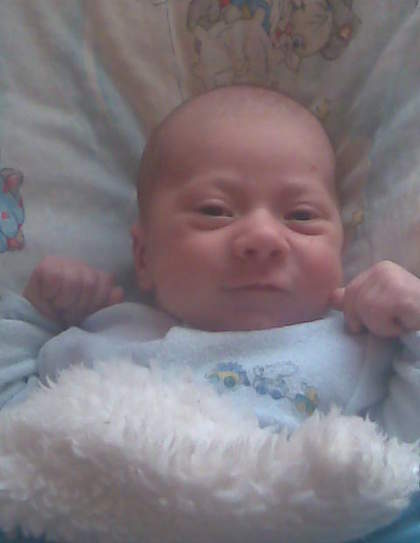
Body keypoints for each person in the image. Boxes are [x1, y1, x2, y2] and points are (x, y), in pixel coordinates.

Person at [1, 85, 420, 440]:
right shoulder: (103, 338)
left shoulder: (356, 347)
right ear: (144, 257)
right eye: (215, 211)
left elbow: (403, 464)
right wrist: (33, 317)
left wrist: (413, 321)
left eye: (301, 216)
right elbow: (14, 433)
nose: (263, 237)